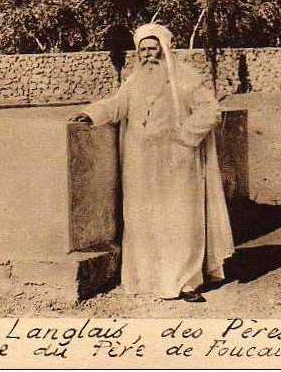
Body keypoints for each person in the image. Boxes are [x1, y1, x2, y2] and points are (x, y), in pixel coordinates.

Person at [70, 23, 234, 303]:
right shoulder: (134, 80)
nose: (148, 55)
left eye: (152, 48)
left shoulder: (185, 77)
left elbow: (210, 110)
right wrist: (91, 115)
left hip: (178, 162)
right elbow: (117, 105)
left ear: (164, 48)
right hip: (141, 163)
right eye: (142, 50)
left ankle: (186, 282)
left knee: (180, 220)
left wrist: (185, 136)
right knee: (144, 219)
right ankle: (148, 279)